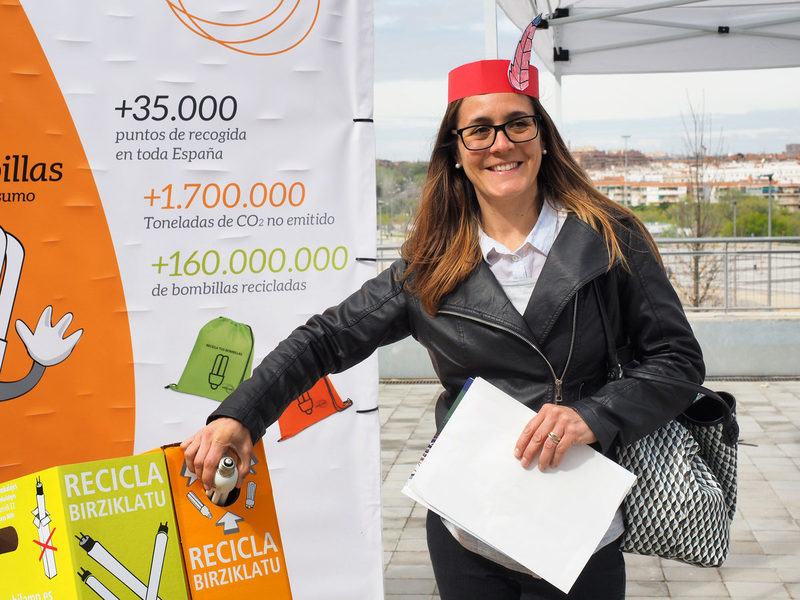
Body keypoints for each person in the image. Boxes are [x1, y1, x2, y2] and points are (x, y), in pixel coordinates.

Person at [182, 44, 704, 600]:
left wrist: (593, 415)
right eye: (478, 130)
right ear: (456, 152)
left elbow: (678, 362)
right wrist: (242, 415)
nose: (500, 143)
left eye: (517, 124)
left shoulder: (611, 239)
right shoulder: (429, 267)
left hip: (580, 530)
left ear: (543, 138)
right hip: (468, 530)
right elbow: (325, 339)